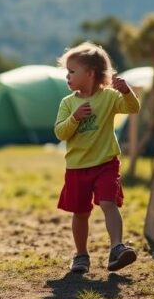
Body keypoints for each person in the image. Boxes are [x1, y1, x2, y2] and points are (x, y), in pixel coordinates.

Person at [54, 42, 140, 273]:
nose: (67, 76)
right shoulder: (68, 103)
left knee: (108, 203)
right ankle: (81, 255)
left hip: (106, 163)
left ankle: (117, 248)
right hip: (77, 167)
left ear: (90, 73)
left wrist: (126, 91)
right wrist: (74, 118)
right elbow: (60, 132)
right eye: (67, 71)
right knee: (80, 212)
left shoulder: (109, 97)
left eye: (72, 71)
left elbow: (133, 108)